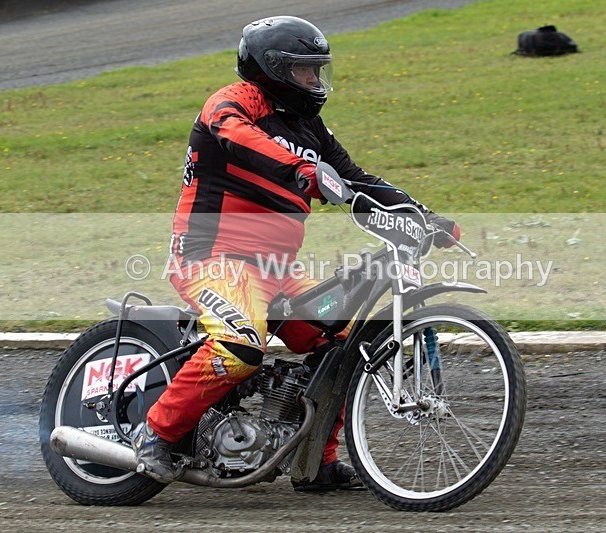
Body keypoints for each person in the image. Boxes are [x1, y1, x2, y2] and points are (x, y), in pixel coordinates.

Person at [132, 15, 461, 490]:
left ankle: (316, 464)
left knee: (349, 342)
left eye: (318, 70)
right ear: (274, 69)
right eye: (306, 71)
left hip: (277, 270)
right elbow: (238, 137)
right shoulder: (232, 103)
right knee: (243, 343)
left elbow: (360, 181)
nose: (315, 80)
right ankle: (156, 434)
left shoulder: (311, 127)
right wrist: (302, 171)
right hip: (212, 257)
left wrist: (424, 216)